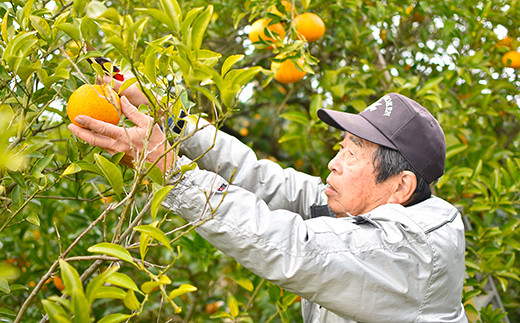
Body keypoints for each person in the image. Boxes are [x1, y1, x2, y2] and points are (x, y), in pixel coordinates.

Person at [68, 77, 467, 322]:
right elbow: (261, 179)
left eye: (351, 153)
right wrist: (172, 119)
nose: (333, 162)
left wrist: (171, 170)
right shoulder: (362, 206)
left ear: (400, 186)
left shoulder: (409, 250)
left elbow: (295, 249)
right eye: (340, 147)